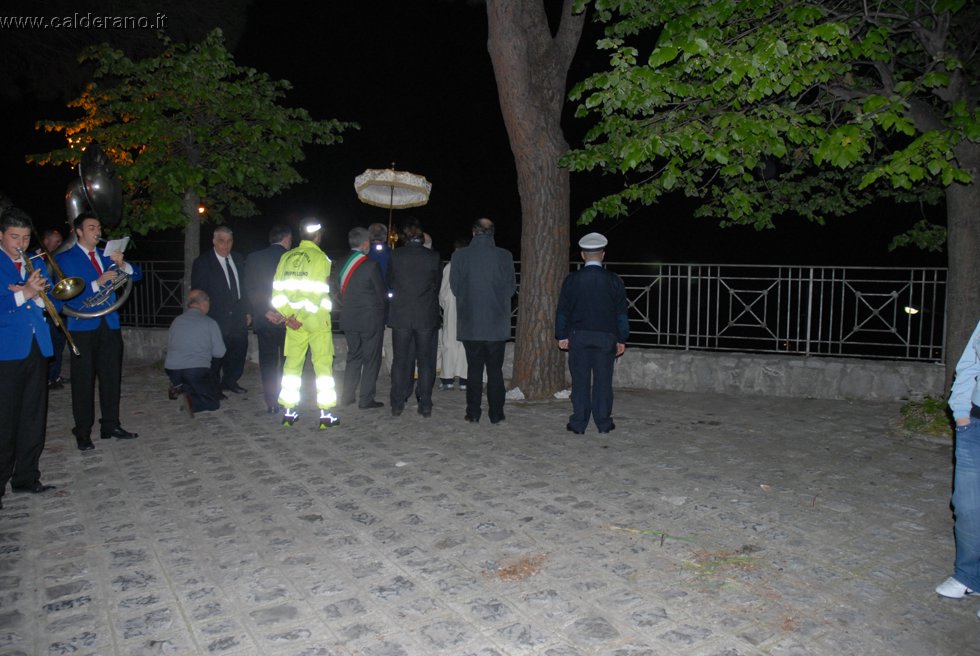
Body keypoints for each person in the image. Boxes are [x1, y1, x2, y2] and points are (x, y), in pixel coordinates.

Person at [56, 212, 142, 451]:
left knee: (111, 377)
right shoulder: (65, 259)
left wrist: (122, 264)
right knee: (83, 382)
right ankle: (83, 431)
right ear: (79, 231)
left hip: (109, 324)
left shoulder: (107, 256)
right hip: (83, 326)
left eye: (99, 227)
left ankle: (111, 424)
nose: (98, 232)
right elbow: (63, 293)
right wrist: (97, 283)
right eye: (92, 227)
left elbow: (138, 274)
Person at [0, 207, 56, 507]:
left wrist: (38, 295)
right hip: (6, 351)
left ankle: (26, 477)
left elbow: (49, 303)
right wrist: (24, 295)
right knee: (5, 419)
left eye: (24, 237)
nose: (19, 244)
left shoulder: (33, 263)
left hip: (37, 346)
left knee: (33, 415)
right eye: (13, 237)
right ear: (0, 236)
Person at [555, 232, 629, 435]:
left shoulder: (572, 280)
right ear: (603, 255)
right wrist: (622, 338)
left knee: (580, 381)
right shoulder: (614, 280)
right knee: (603, 382)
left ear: (582, 255)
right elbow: (621, 313)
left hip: (578, 336)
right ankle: (603, 423)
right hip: (606, 337)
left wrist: (561, 335)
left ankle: (579, 423)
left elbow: (563, 311)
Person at [269, 219, 339, 428]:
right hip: (316, 320)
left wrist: (290, 316)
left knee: (292, 366)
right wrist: (301, 317)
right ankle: (326, 415)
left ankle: (289, 412)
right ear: (318, 236)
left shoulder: (286, 257)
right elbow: (319, 293)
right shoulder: (321, 258)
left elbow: (277, 293)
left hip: (292, 323)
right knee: (323, 366)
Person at [450, 217, 516, 424]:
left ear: (474, 232)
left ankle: (473, 412)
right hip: (496, 324)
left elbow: (455, 288)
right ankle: (496, 413)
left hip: (470, 323)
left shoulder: (460, 256)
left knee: (474, 369)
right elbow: (511, 288)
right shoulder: (504, 256)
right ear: (492, 233)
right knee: (495, 371)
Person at [936, 318, 980, 614]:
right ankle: (968, 575)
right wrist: (961, 412)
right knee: (967, 506)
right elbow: (970, 362)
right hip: (975, 425)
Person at [388, 218, 442, 417]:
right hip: (425, 315)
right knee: (426, 361)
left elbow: (391, 281)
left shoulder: (396, 255)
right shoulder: (433, 256)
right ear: (420, 236)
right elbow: (436, 284)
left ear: (404, 237)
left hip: (401, 315)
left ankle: (396, 403)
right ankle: (425, 404)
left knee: (400, 360)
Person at [191, 225, 250, 395]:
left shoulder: (237, 258)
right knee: (216, 355)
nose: (226, 245)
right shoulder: (203, 262)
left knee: (238, 350)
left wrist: (247, 311)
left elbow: (243, 287)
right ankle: (214, 387)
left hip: (238, 315)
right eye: (222, 241)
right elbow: (199, 292)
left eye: (229, 241)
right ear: (214, 241)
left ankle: (230, 381)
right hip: (216, 316)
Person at [244, 224, 292, 414]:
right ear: (287, 239)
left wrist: (265, 311)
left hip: (265, 319)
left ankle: (271, 401)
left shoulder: (255, 258)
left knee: (268, 362)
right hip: (288, 319)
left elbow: (250, 288)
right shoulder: (292, 258)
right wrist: (285, 314)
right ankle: (287, 398)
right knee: (289, 361)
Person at [338, 227, 387, 409]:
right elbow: (381, 294)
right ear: (365, 244)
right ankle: (366, 399)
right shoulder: (370, 265)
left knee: (354, 356)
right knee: (371, 359)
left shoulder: (341, 262)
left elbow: (336, 291)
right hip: (370, 319)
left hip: (348, 317)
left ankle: (347, 396)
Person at [164, 289, 226, 418]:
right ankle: (191, 402)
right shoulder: (210, 322)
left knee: (191, 384)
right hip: (196, 370)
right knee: (213, 404)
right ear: (204, 303)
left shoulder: (177, 321)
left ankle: (181, 388)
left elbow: (169, 344)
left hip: (172, 369)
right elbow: (220, 352)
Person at [438, 238, 469, 390]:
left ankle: (447, 378)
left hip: (452, 306)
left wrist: (445, 305)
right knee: (465, 342)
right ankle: (464, 378)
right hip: (468, 307)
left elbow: (443, 291)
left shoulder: (450, 266)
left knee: (449, 341)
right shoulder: (471, 265)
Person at [41, 228, 68, 389]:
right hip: (45, 309)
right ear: (46, 242)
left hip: (60, 305)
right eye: (57, 242)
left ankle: (55, 375)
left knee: (59, 343)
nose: (60, 244)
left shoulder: (59, 259)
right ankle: (47, 376)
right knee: (50, 343)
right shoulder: (38, 258)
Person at [367, 222, 394, 376]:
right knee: (390, 343)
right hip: (389, 303)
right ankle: (392, 371)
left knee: (370, 341)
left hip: (369, 303)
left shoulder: (364, 254)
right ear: (385, 237)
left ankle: (369, 372)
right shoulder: (392, 254)